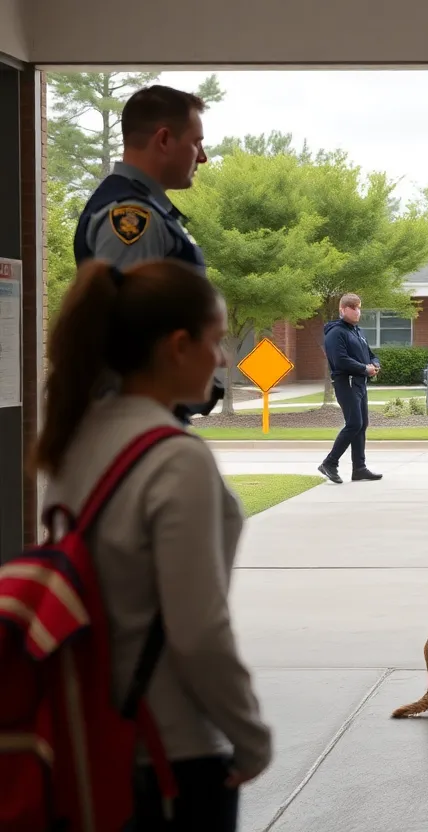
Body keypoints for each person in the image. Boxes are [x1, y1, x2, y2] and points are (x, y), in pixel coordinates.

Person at [36, 259, 272, 829]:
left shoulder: (75, 441)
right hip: (169, 751)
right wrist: (249, 735)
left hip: (85, 732)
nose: (221, 360)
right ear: (177, 346)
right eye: (215, 342)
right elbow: (198, 630)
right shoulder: (174, 458)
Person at [73, 83, 223, 421]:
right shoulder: (130, 217)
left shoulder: (148, 210)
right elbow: (134, 338)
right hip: (139, 421)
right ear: (164, 140)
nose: (202, 156)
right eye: (196, 142)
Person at [318, 293, 383, 484]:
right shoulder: (335, 333)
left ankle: (359, 469)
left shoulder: (358, 332)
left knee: (361, 425)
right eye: (352, 308)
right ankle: (330, 463)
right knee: (354, 423)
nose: (357, 311)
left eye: (359, 307)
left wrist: (374, 364)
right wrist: (364, 368)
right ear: (342, 310)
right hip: (345, 382)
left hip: (360, 383)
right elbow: (340, 360)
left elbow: (371, 355)